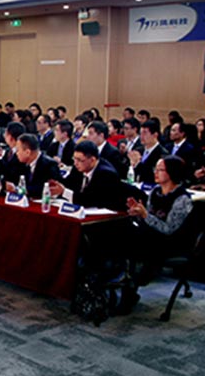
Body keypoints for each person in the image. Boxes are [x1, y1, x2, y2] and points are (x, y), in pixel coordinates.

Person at [123, 156, 195, 310]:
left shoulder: (182, 199)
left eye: (161, 170)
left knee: (135, 242)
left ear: (172, 173)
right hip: (152, 236)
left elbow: (169, 229)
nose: (156, 173)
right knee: (124, 232)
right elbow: (149, 220)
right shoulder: (155, 192)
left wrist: (145, 215)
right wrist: (138, 213)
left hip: (172, 242)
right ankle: (127, 282)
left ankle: (131, 284)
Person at [48, 141, 124, 211]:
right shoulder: (78, 167)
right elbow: (69, 183)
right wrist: (57, 185)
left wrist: (64, 192)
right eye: (74, 159)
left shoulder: (106, 174)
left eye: (79, 160)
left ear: (92, 160)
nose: (75, 163)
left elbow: (90, 199)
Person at [4, 133, 60, 198]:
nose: (16, 153)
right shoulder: (19, 162)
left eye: (18, 150)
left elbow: (46, 189)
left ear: (27, 152)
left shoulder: (50, 165)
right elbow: (10, 175)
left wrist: (18, 190)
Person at [0, 122, 26, 186]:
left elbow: (11, 173)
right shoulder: (8, 150)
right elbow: (1, 170)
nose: (4, 135)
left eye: (6, 133)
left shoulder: (22, 153)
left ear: (11, 137)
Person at [128, 120, 164, 185]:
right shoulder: (138, 150)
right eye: (140, 133)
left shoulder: (162, 154)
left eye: (145, 133)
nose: (141, 136)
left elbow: (153, 175)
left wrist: (138, 164)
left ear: (155, 135)